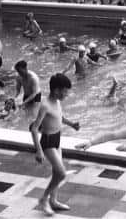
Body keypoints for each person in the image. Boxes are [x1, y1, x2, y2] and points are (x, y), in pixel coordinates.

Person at [30, 74, 80, 215]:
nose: (67, 94)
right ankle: (44, 199)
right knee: (61, 173)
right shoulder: (45, 105)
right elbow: (34, 128)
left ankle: (53, 200)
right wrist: (38, 151)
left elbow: (59, 117)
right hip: (48, 142)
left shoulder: (57, 102)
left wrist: (72, 124)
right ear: (56, 90)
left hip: (57, 139)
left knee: (56, 172)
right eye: (65, 91)